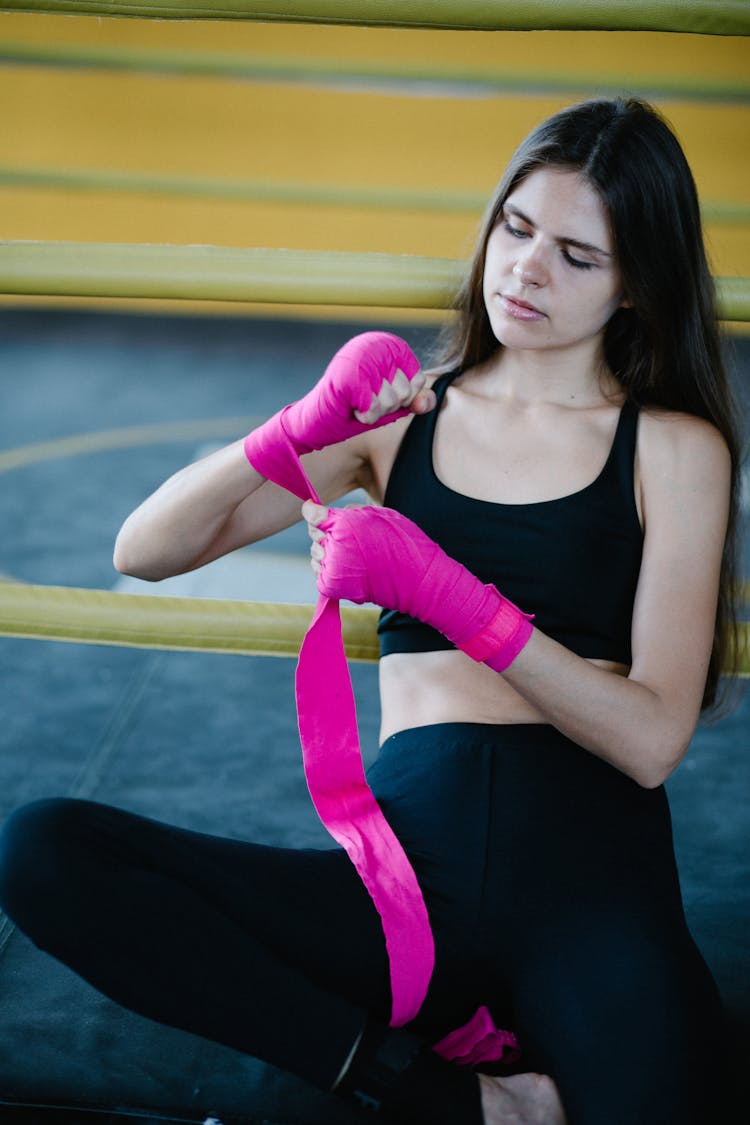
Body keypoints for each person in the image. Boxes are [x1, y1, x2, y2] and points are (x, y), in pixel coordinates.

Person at [0, 97, 741, 1125]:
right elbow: (147, 549)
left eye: (579, 255)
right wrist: (299, 426)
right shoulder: (397, 425)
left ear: (635, 286)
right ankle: (445, 1096)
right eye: (516, 229)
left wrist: (449, 595)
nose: (526, 269)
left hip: (590, 885)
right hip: (402, 896)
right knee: (45, 850)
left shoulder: (670, 448)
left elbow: (654, 739)